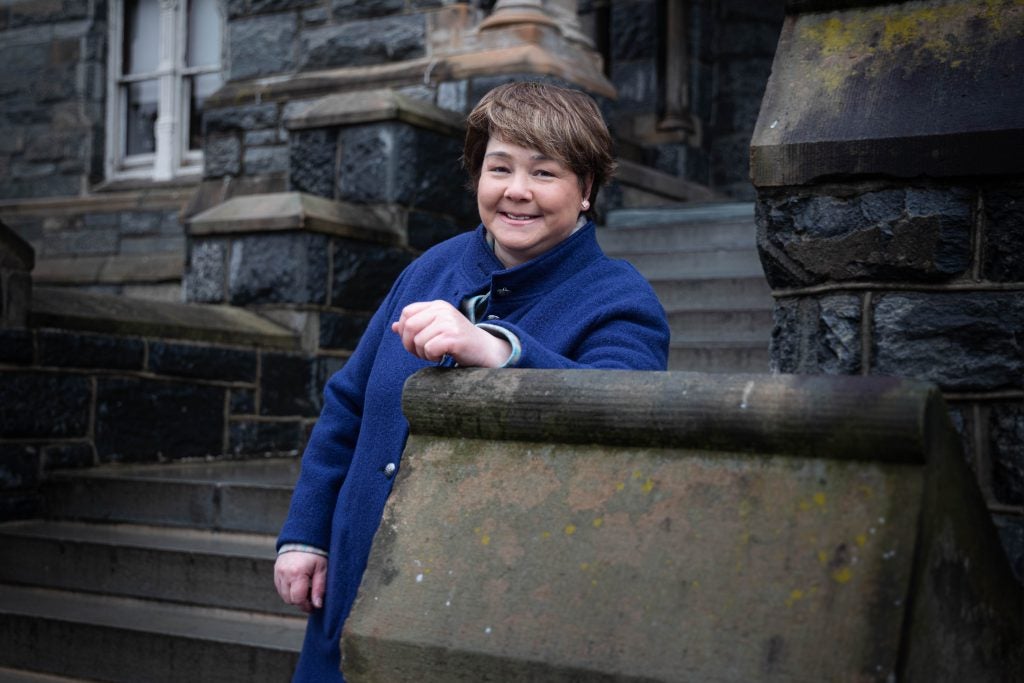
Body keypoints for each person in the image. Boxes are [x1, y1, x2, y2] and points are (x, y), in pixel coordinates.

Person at [273, 80, 670, 681]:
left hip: (491, 610)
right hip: (354, 583)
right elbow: (349, 404)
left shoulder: (620, 298)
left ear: (585, 190)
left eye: (544, 173)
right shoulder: (430, 267)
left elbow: (624, 416)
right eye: (500, 168)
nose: (516, 191)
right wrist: (307, 534)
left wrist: (497, 350)